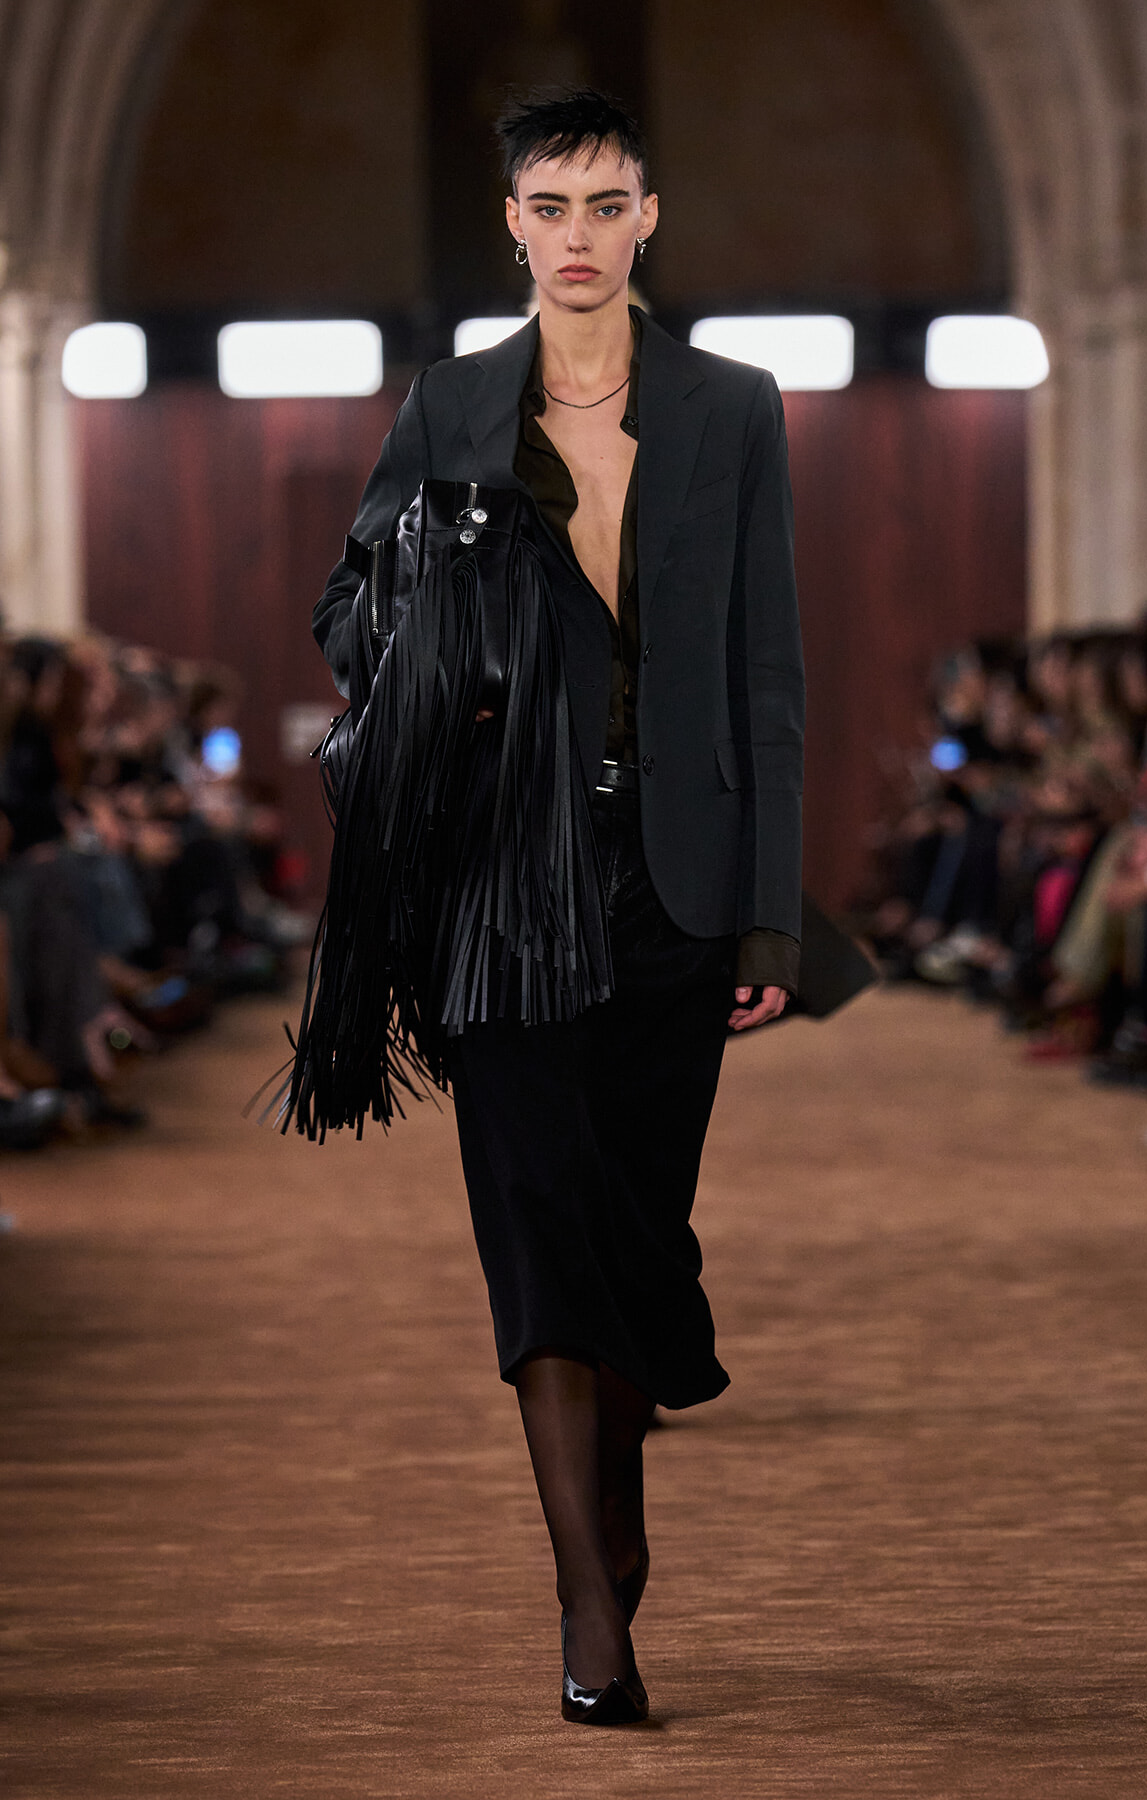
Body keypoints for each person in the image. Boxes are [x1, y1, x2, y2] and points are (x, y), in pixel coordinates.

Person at [311, 88, 806, 1725]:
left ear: (647, 217)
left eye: (605, 204)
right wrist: (442, 626)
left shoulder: (735, 408)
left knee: (633, 1227)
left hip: (674, 879)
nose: (577, 236)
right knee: (532, 1217)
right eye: (549, 205)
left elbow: (769, 671)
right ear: (510, 222)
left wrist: (770, 918)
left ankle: (618, 1479)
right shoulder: (449, 404)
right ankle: (588, 1598)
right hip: (498, 871)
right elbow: (347, 610)